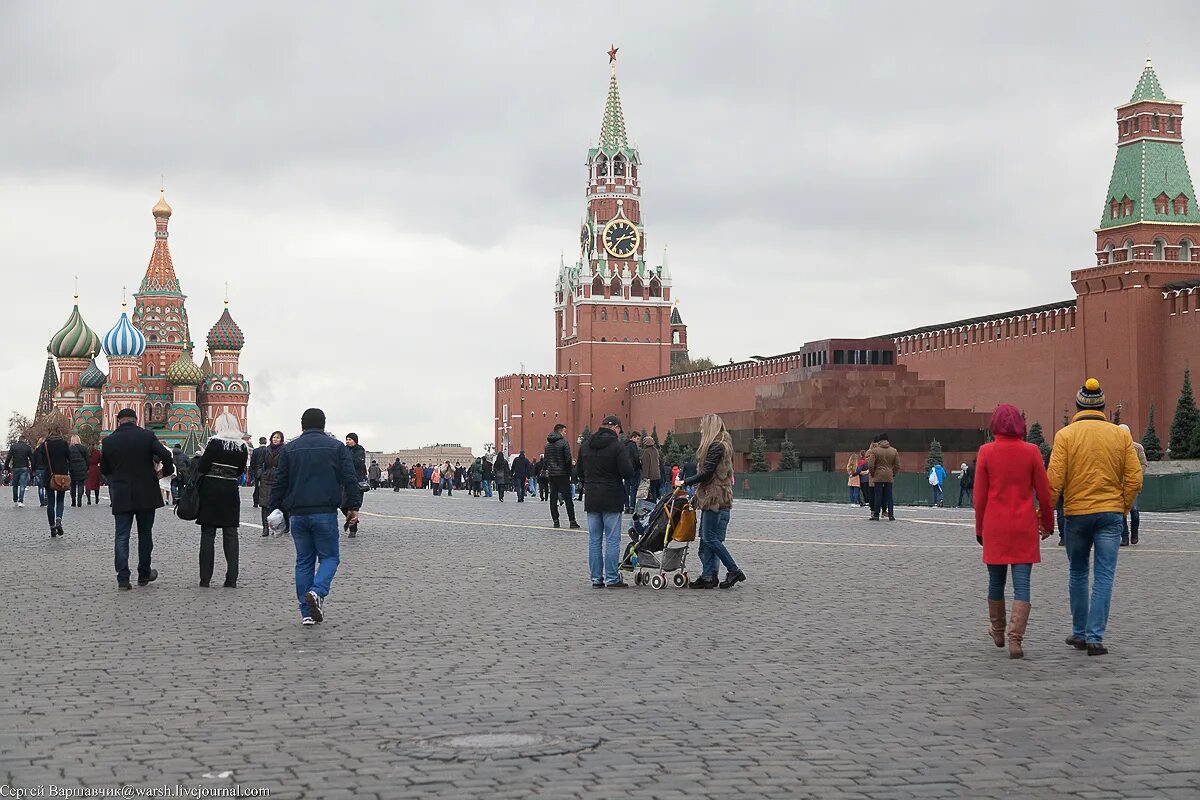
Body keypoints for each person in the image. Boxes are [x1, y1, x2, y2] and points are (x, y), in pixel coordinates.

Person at [1048, 379, 1143, 656]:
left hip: (1076, 514)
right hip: (1110, 515)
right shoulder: (1121, 435)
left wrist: (1044, 515)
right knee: (1104, 576)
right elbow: (1135, 479)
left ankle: (1079, 633)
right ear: (1103, 407)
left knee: (1077, 572)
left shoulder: (1065, 436)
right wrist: (1122, 507)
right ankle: (1095, 637)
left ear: (1078, 406)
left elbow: (1054, 480)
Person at [974, 404, 1055, 659]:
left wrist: (979, 529)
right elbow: (1044, 494)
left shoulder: (986, 452)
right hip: (1023, 526)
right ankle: (1015, 640)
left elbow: (979, 497)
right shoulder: (1031, 452)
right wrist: (1048, 525)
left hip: (995, 526)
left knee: (995, 581)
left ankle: (997, 630)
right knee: (1022, 585)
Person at [269, 408, 362, 627]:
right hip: (324, 512)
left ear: (302, 425)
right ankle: (317, 591)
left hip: (298, 514)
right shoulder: (337, 447)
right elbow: (350, 479)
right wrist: (352, 507)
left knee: (304, 561)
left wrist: (275, 508)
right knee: (330, 558)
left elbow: (280, 482)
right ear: (323, 424)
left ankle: (307, 613)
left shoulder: (289, 449)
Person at [100, 408, 174, 590]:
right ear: (136, 419)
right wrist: (167, 471)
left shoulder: (109, 441)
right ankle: (144, 573)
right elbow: (165, 454)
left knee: (122, 536)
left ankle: (123, 579)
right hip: (146, 492)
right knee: (145, 534)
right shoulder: (147, 436)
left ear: (118, 421)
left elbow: (105, 469)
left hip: (121, 493)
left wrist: (115, 477)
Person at [683, 413, 745, 589]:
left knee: (709, 539)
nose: (701, 429)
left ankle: (733, 569)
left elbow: (707, 473)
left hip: (714, 498)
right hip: (721, 497)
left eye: (703, 426)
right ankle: (708, 576)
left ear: (709, 427)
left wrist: (686, 481)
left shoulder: (716, 446)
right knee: (708, 540)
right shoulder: (724, 445)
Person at [576, 415, 633, 587]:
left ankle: (596, 578)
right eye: (619, 431)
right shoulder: (617, 446)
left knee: (594, 540)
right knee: (612, 539)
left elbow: (578, 471)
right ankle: (612, 578)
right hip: (612, 497)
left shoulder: (586, 446)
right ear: (616, 428)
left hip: (592, 497)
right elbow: (627, 472)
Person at [194, 413, 247, 588]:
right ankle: (231, 578)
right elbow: (240, 471)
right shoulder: (242, 446)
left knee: (208, 534)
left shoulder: (214, 443)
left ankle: (205, 578)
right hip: (230, 490)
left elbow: (203, 466)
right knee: (230, 533)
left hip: (211, 489)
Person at [542, 423, 580, 529]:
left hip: (552, 474)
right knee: (568, 498)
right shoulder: (563, 443)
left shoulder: (547, 445)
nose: (565, 433)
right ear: (560, 431)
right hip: (562, 474)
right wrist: (569, 473)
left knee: (553, 498)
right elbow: (568, 459)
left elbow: (546, 460)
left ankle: (556, 521)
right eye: (564, 431)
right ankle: (572, 521)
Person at [1117, 424, 1148, 546]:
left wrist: (1138, 477)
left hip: (1132, 484)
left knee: (1134, 511)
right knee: (1121, 512)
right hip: (1118, 485)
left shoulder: (1137, 448)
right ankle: (1124, 537)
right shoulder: (1113, 448)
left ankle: (1134, 533)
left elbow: (1143, 464)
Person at [41, 419, 72, 537]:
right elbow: (69, 458)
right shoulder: (63, 443)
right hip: (62, 475)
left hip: (49, 475)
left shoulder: (45, 444)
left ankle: (52, 526)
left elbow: (40, 459)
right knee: (60, 499)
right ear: (59, 431)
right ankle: (59, 519)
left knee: (50, 502)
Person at [257, 431, 288, 537]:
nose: (275, 439)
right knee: (264, 504)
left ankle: (283, 526)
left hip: (278, 479)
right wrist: (260, 473)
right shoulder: (266, 450)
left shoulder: (284, 450)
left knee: (279, 504)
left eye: (278, 437)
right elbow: (260, 463)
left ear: (281, 439)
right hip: (266, 479)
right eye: (274, 437)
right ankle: (265, 528)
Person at [867, 435, 900, 521]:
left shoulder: (875, 451)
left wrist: (873, 473)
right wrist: (893, 474)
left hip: (878, 475)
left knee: (878, 495)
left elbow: (870, 465)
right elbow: (897, 465)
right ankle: (891, 515)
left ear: (880, 441)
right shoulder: (894, 451)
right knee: (889, 496)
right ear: (888, 440)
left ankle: (876, 515)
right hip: (889, 475)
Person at [343, 433, 367, 536]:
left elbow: (358, 463)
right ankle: (354, 520)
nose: (348, 441)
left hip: (356, 481)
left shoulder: (360, 451)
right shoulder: (343, 450)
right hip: (344, 481)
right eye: (347, 439)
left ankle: (353, 530)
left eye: (350, 439)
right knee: (343, 505)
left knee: (353, 505)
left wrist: (347, 461)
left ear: (355, 441)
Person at [5, 434, 34, 507]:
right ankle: (20, 500)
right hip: (24, 467)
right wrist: (33, 468)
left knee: (15, 484)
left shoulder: (13, 447)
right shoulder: (27, 447)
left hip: (15, 467)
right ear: (24, 440)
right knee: (22, 484)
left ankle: (15, 499)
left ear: (19, 439)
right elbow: (31, 458)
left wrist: (6, 467)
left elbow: (8, 458)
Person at [68, 434, 90, 508]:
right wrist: (87, 468)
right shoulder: (83, 448)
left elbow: (67, 460)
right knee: (81, 485)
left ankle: (73, 501)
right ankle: (79, 500)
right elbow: (87, 459)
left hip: (72, 469)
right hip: (82, 468)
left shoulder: (69, 449)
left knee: (73, 485)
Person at [623, 430, 641, 513]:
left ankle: (626, 507)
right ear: (633, 437)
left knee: (626, 489)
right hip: (633, 470)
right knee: (633, 488)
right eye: (637, 439)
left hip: (625, 470)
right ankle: (632, 507)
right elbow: (636, 457)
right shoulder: (633, 446)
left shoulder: (624, 445)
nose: (638, 441)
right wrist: (639, 466)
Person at [248, 436, 268, 508]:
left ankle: (255, 502)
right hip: (265, 471)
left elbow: (252, 462)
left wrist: (253, 470)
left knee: (257, 486)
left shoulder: (255, 451)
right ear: (266, 442)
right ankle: (263, 501)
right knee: (264, 487)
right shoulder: (268, 450)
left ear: (259, 442)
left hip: (257, 471)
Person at [642, 435, 662, 501]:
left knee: (651, 492)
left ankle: (652, 506)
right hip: (657, 475)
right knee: (655, 491)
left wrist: (645, 476)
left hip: (650, 476)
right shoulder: (656, 451)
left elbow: (646, 465)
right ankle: (655, 503)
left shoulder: (646, 452)